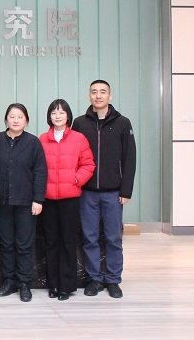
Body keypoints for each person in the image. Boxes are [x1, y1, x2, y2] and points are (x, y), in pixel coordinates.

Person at [72, 80, 136, 299]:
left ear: (110, 96)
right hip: (87, 192)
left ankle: (113, 280)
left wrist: (126, 190)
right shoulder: (80, 123)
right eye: (94, 92)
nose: (98, 96)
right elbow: (73, 156)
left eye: (102, 92)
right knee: (89, 238)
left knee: (113, 238)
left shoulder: (122, 123)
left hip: (113, 192)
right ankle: (94, 279)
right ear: (89, 96)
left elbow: (130, 158)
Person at [39, 99, 95, 301]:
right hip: (48, 199)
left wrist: (76, 179)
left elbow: (88, 164)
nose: (58, 116)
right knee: (51, 241)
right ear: (49, 116)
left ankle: (66, 285)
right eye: (54, 112)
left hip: (70, 198)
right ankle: (53, 284)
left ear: (68, 116)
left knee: (68, 241)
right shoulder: (42, 139)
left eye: (62, 112)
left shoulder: (79, 139)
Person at [0, 103, 47, 303]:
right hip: (2, 201)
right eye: (12, 116)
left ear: (26, 121)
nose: (15, 120)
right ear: (6, 119)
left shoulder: (33, 143)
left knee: (24, 245)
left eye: (20, 117)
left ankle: (24, 283)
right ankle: (9, 281)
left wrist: (38, 199)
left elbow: (40, 172)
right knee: (7, 244)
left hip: (26, 202)